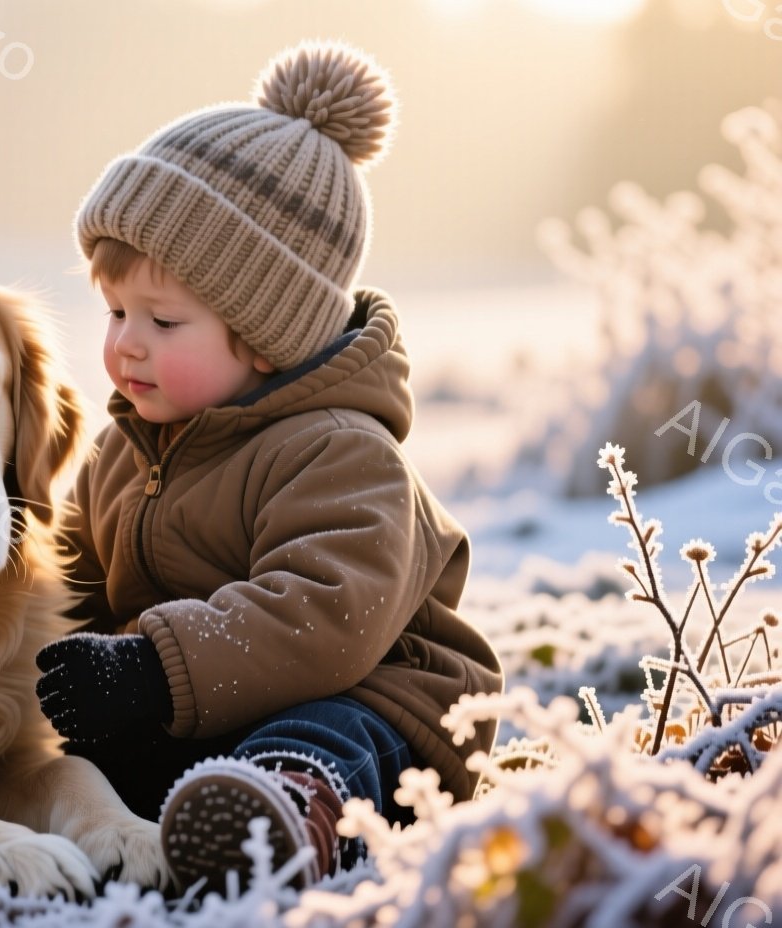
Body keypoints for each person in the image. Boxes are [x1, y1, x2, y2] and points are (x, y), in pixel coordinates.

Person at [36, 39, 504, 895]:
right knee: (75, 744)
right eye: (112, 311)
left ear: (263, 336)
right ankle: (186, 807)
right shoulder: (123, 447)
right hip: (197, 707)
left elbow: (329, 614)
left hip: (384, 705)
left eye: (163, 322)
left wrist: (147, 668)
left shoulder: (339, 451)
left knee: (323, 732)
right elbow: (72, 584)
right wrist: (46, 654)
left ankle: (285, 818)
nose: (125, 343)